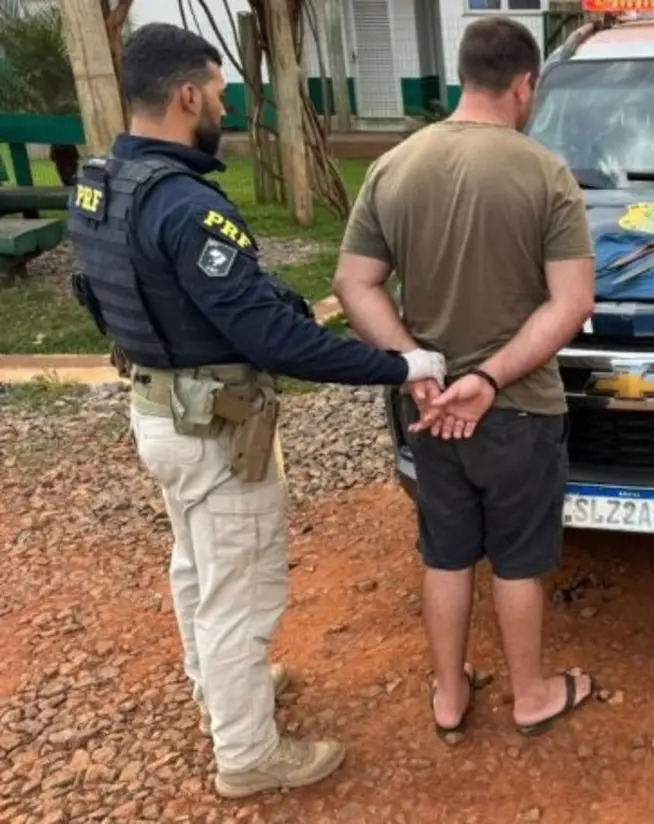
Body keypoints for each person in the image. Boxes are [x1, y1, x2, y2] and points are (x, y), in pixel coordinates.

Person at [65, 23, 448, 800]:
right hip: (213, 425)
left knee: (197, 567)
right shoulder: (183, 206)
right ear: (186, 95)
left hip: (158, 409)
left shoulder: (103, 183)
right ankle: (246, 752)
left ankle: (221, 688)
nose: (223, 106)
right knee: (240, 589)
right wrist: (402, 365)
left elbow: (92, 292)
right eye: (217, 92)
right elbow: (274, 343)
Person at [331, 16, 597, 744]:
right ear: (524, 84)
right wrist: (487, 377)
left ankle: (450, 695)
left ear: (463, 76)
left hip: (430, 409)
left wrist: (417, 366)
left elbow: (355, 284)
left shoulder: (395, 167)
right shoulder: (545, 173)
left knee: (445, 555)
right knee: (517, 561)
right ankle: (531, 695)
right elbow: (572, 302)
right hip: (518, 408)